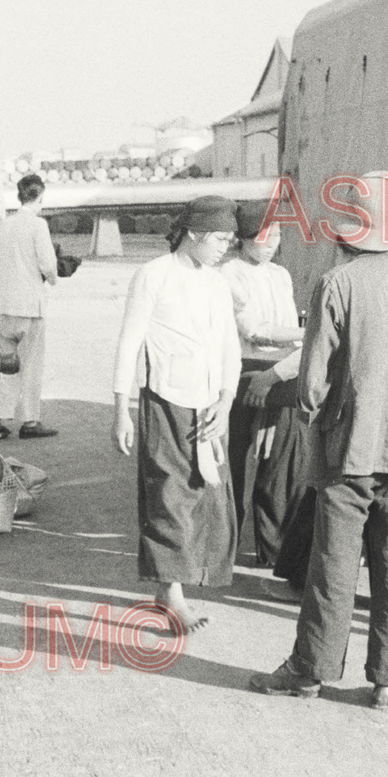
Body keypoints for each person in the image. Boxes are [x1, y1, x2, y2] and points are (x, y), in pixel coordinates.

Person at [251, 172, 388, 708]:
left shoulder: (337, 285)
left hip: (349, 447)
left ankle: (309, 671)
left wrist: (314, 416)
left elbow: (314, 378)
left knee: (333, 563)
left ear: (352, 231)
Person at [112, 196, 242, 634]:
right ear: (194, 233)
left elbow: (229, 347)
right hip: (165, 401)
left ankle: (173, 586)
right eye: (220, 238)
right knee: (169, 497)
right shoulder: (153, 275)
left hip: (210, 405)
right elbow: (129, 343)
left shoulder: (218, 283)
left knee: (207, 496)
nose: (227, 246)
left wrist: (226, 400)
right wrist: (121, 410)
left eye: (230, 238)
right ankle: (172, 596)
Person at [217, 212, 303, 549]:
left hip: (279, 375)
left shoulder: (280, 275)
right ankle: (228, 541)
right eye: (262, 237)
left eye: (277, 237)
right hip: (243, 373)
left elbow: (287, 326)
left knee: (279, 460)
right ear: (244, 238)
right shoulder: (228, 273)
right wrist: (313, 333)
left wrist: (295, 354)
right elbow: (254, 330)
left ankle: (273, 548)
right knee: (237, 457)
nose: (270, 245)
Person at [0, 173, 60, 439]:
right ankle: (30, 422)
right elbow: (48, 265)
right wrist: (53, 278)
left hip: (3, 306)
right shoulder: (38, 225)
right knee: (31, 366)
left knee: (5, 365)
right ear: (40, 197)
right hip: (29, 307)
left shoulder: (5, 224)